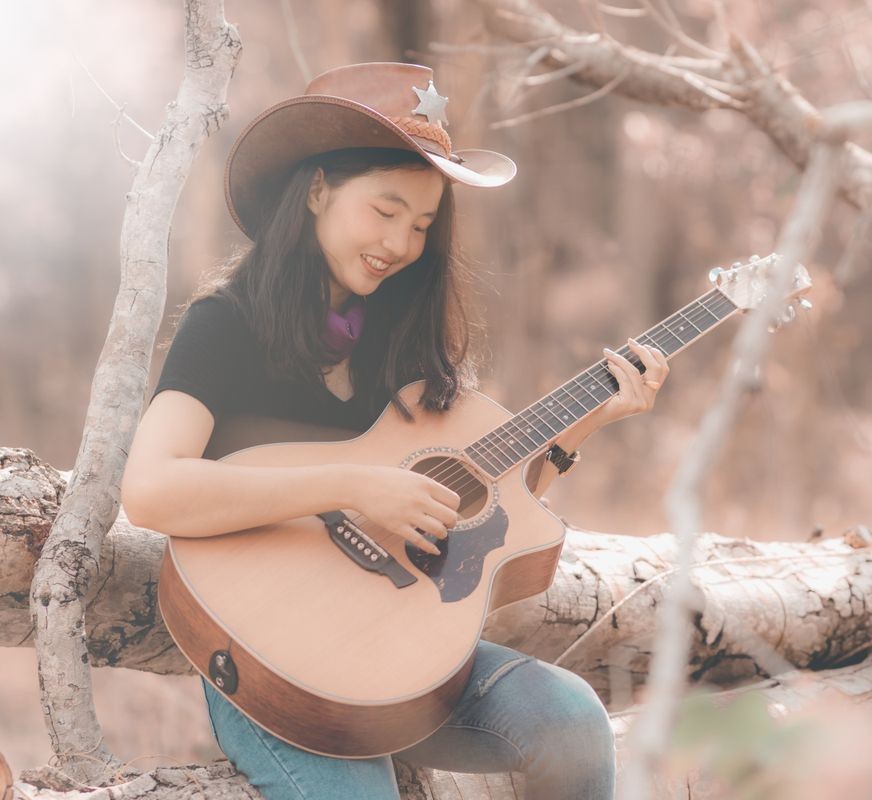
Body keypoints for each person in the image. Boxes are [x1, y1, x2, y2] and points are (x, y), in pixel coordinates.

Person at [121, 62, 670, 800]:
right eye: (384, 211)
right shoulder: (226, 324)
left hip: (406, 662)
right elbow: (151, 489)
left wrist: (586, 425)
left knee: (572, 720)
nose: (400, 244)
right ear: (317, 191)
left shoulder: (401, 339)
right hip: (277, 665)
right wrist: (355, 485)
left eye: (419, 225)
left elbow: (478, 503)